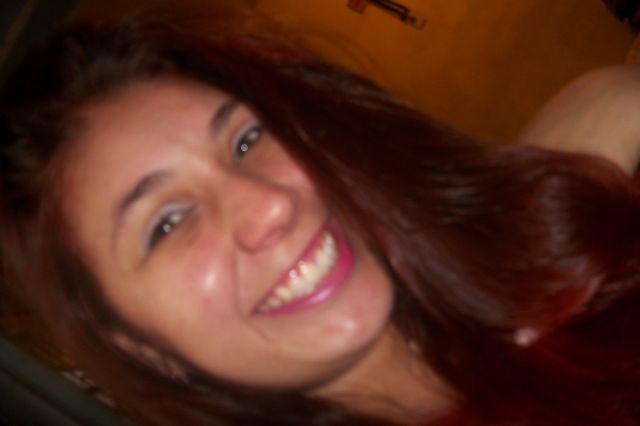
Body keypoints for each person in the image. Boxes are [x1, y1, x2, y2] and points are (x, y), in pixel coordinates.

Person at [2, 19, 640, 426]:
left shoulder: (558, 264)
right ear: (140, 347)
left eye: (247, 140)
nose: (269, 205)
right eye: (167, 224)